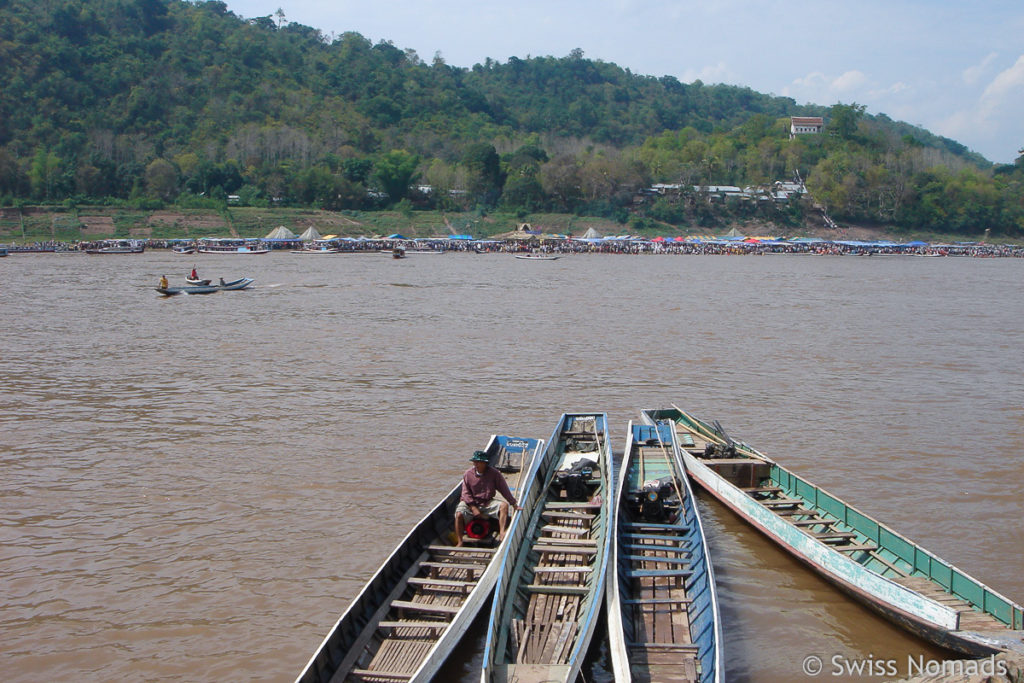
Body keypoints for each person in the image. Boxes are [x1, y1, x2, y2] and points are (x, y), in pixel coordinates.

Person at [455, 450, 521, 546]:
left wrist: (514, 504)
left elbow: (504, 489)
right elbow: (465, 494)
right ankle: (460, 541)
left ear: (485, 463)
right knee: (459, 514)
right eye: (474, 462)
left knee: (504, 506)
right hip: (470, 503)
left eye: (478, 462)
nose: (476, 464)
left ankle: (502, 532)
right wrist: (473, 508)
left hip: (487, 502)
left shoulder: (494, 474)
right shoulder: (468, 474)